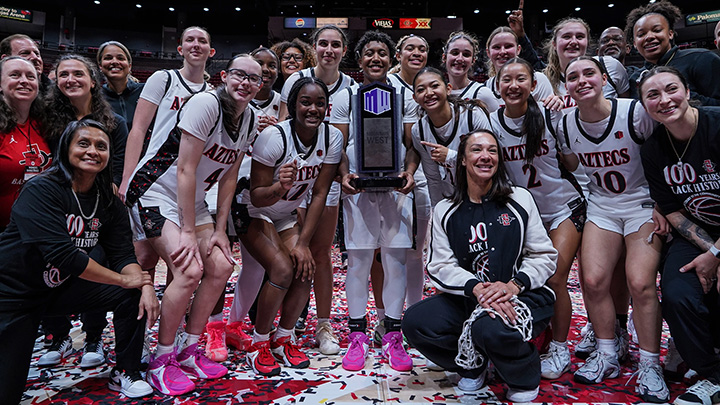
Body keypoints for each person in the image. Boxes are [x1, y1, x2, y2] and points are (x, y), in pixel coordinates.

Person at [0, 119, 158, 402]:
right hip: (14, 295)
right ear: (66, 149)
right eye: (83, 143)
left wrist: (143, 284)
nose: (92, 151)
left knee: (133, 294)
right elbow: (64, 256)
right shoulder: (41, 189)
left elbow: (122, 252)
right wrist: (124, 279)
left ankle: (127, 370)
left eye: (101, 146)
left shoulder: (107, 199)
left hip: (58, 289)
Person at [135, 54, 260, 395]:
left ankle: (190, 349)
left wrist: (220, 230)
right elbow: (185, 169)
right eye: (239, 75)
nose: (245, 83)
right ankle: (162, 359)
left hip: (194, 201)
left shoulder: (249, 118)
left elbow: (230, 178)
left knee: (220, 266)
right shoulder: (205, 103)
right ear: (223, 76)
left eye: (254, 79)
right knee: (189, 271)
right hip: (154, 192)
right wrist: (190, 232)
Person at [402, 129, 557, 402]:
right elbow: (440, 265)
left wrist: (514, 285)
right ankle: (472, 365)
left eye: (492, 150)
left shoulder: (519, 199)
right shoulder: (446, 210)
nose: (485, 156)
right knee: (417, 323)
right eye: (476, 150)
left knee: (490, 327)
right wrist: (477, 289)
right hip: (473, 297)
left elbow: (544, 255)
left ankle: (524, 374)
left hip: (525, 296)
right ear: (462, 159)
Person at [558, 56, 669, 402]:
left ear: (605, 78)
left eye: (589, 73)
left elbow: (666, 150)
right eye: (573, 76)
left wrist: (664, 203)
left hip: (640, 204)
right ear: (566, 87)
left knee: (640, 283)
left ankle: (650, 363)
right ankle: (607, 352)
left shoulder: (634, 112)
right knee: (592, 281)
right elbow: (572, 165)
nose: (582, 80)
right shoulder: (564, 125)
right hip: (603, 207)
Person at [237, 77, 343, 376]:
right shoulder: (273, 137)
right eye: (305, 102)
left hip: (285, 213)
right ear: (293, 105)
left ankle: (283, 338)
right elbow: (257, 193)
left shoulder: (332, 137)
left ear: (327, 107)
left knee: (303, 265)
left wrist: (303, 242)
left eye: (319, 103)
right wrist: (279, 187)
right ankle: (259, 344)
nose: (313, 108)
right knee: (282, 269)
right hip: (252, 209)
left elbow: (320, 192)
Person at [490, 58, 585, 380]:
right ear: (497, 86)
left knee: (555, 276)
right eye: (507, 80)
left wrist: (565, 128)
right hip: (523, 217)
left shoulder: (549, 114)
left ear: (533, 85)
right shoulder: (490, 122)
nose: (513, 85)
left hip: (562, 208)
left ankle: (560, 349)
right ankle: (525, 341)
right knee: (518, 279)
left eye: (521, 79)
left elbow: (571, 166)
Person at [332, 30, 417, 372]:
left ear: (390, 57)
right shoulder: (345, 96)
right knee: (359, 263)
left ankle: (393, 334)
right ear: (360, 59)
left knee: (395, 261)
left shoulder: (404, 95)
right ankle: (357, 336)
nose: (376, 59)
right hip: (360, 188)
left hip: (395, 187)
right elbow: (337, 145)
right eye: (369, 53)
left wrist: (409, 171)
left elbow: (412, 144)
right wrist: (343, 176)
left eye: (382, 52)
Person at [41, 53, 130, 368]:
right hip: (56, 204)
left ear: (94, 80)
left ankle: (93, 337)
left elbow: (117, 165)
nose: (70, 80)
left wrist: (112, 189)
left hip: (98, 202)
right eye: (63, 74)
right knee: (49, 267)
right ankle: (58, 334)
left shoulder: (114, 122)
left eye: (78, 73)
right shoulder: (48, 117)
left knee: (98, 262)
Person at [638, 66, 720, 405]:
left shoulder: (717, 123)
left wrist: (717, 256)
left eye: (671, 89)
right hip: (698, 236)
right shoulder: (653, 148)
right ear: (644, 106)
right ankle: (713, 374)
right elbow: (671, 209)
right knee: (676, 293)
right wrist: (710, 252)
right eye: (653, 95)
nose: (664, 99)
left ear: (687, 91)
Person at [276, 25, 355, 355]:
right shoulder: (296, 80)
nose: (329, 49)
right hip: (294, 177)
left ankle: (323, 324)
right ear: (315, 47)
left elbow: (345, 141)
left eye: (336, 44)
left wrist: (345, 173)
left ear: (343, 51)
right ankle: (286, 327)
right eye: (323, 43)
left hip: (327, 180)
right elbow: (282, 128)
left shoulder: (350, 87)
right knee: (292, 254)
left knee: (321, 254)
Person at [204, 45, 282, 363]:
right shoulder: (211, 103)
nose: (255, 76)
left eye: (264, 70)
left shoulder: (283, 103)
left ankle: (234, 324)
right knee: (217, 263)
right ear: (227, 76)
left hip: (251, 191)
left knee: (256, 264)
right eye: (251, 69)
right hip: (213, 190)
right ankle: (212, 328)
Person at [120, 26, 213, 291]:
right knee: (144, 257)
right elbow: (138, 128)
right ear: (180, 49)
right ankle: (138, 323)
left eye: (202, 41)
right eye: (190, 40)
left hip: (185, 187)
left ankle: (173, 322)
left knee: (182, 261)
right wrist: (127, 177)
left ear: (211, 51)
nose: (196, 45)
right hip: (151, 179)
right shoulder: (164, 79)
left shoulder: (213, 94)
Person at [411, 67, 492, 205]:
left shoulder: (473, 115)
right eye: (421, 90)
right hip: (454, 200)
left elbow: (489, 160)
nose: (429, 93)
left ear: (448, 88)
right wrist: (438, 212)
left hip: (486, 197)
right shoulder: (419, 130)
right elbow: (433, 178)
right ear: (415, 98)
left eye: (435, 86)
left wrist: (450, 156)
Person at [625, 0, 720, 105]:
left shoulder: (701, 59)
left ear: (670, 34)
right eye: (641, 34)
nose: (649, 37)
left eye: (657, 30)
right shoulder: (635, 79)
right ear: (634, 43)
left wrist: (681, 97)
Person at [0, 56, 51, 230]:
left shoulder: (45, 125)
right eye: (15, 75)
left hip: (35, 230)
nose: (24, 81)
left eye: (30, 77)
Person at [543, 17, 630, 112]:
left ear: (587, 43)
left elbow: (626, 108)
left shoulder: (610, 65)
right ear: (554, 44)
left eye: (580, 37)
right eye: (566, 37)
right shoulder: (543, 81)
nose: (573, 42)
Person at [484, 27, 555, 109]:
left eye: (508, 46)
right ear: (488, 52)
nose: (502, 52)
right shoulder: (485, 89)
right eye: (496, 47)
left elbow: (548, 117)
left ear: (518, 49)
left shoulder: (539, 80)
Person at [442, 31, 499, 112]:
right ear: (444, 57)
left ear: (473, 60)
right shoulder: (438, 93)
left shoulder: (483, 93)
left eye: (466, 54)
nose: (460, 59)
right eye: (455, 53)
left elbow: (496, 123)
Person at [97, 40, 144, 129]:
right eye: (108, 58)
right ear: (100, 66)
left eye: (120, 58)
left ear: (129, 66)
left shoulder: (145, 91)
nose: (114, 61)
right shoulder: (96, 98)